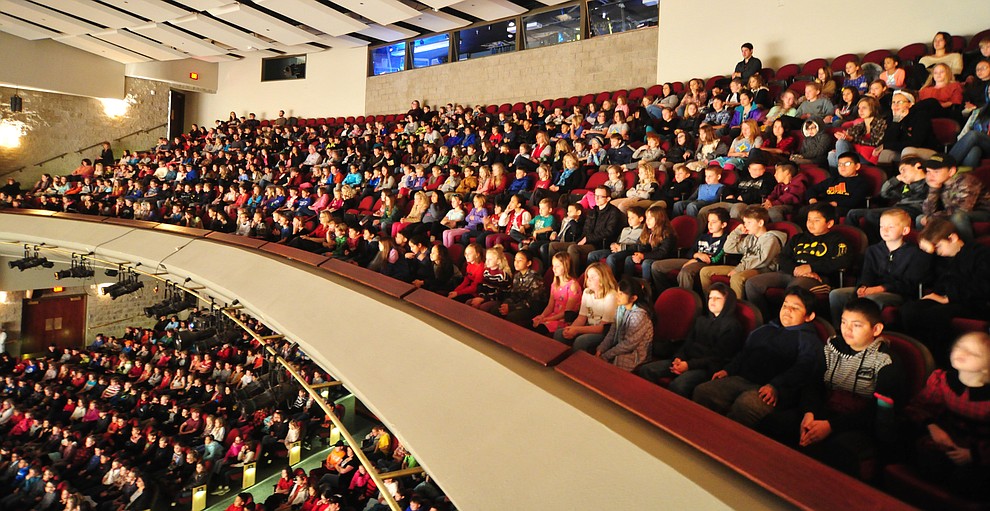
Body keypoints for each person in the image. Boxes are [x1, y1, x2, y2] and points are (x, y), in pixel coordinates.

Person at [765, 299, 906, 477]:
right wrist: (809, 413)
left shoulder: (885, 361)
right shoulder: (832, 348)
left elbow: (877, 412)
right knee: (773, 424)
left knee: (832, 452)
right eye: (843, 322)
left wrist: (831, 426)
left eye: (856, 325)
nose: (847, 330)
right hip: (825, 412)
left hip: (860, 425)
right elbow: (814, 385)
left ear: (876, 329)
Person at [693, 287, 824, 428]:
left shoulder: (809, 340)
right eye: (785, 305)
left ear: (809, 316)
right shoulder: (765, 329)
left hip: (775, 390)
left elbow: (803, 370)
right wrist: (728, 370)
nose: (787, 310)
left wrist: (776, 386)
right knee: (703, 392)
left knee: (746, 405)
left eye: (795, 308)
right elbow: (744, 353)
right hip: (744, 379)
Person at [905, 332, 990, 501]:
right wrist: (932, 426)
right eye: (959, 346)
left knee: (967, 479)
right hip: (948, 440)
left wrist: (973, 454)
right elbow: (918, 407)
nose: (961, 353)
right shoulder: (943, 380)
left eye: (973, 353)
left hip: (980, 449)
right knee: (923, 459)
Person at [900, 217, 990, 362]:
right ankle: (919, 357)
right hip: (947, 298)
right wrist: (926, 253)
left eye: (938, 247)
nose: (937, 252)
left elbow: (983, 286)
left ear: (952, 238)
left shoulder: (980, 254)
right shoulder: (941, 259)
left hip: (972, 302)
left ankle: (939, 359)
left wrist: (948, 298)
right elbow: (919, 278)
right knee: (908, 309)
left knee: (934, 315)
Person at [746, 202, 853, 319]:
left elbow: (842, 261)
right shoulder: (799, 237)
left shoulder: (837, 239)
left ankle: (785, 321)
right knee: (752, 284)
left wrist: (811, 267)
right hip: (791, 273)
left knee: (794, 289)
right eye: (809, 220)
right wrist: (795, 269)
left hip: (817, 277)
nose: (811, 224)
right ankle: (764, 319)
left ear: (829, 223)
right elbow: (782, 257)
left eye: (816, 220)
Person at [636, 283, 745, 397]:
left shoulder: (732, 326)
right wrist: (679, 358)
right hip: (687, 360)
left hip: (706, 368)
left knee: (678, 385)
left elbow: (718, 357)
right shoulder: (701, 320)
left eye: (717, 298)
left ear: (728, 303)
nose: (712, 301)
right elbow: (687, 343)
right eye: (710, 297)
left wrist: (688, 365)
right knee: (647, 370)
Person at [828, 208, 931, 323]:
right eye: (882, 226)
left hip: (898, 293)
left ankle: (872, 330)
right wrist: (863, 287)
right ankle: (839, 329)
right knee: (836, 295)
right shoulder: (873, 250)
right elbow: (867, 274)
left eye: (890, 227)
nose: (885, 230)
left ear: (905, 230)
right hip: (872, 289)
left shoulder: (915, 253)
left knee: (873, 299)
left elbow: (909, 284)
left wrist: (881, 288)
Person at [699, 206, 787, 299]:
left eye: (749, 222)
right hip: (744, 267)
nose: (745, 226)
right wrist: (736, 232)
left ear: (760, 223)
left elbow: (762, 260)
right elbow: (728, 248)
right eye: (744, 222)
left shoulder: (771, 239)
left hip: (762, 270)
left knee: (737, 278)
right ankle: (710, 304)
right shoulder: (749, 238)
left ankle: (736, 308)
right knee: (705, 271)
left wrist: (739, 269)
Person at [845, 156, 928, 242]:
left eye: (904, 170)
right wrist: (895, 180)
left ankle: (876, 245)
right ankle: (849, 242)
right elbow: (885, 193)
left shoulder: (929, 183)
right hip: (897, 209)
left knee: (872, 215)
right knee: (852, 213)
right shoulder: (905, 186)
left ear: (917, 166)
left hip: (912, 210)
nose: (901, 174)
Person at [651, 208, 729, 293]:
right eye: (708, 221)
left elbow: (713, 260)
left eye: (713, 222)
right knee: (656, 266)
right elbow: (690, 253)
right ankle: (666, 294)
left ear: (723, 224)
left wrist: (696, 259)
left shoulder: (725, 239)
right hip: (692, 260)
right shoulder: (703, 236)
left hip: (707, 265)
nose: (710, 225)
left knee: (686, 271)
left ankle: (684, 298)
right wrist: (697, 256)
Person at [548, 186, 624, 273]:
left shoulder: (614, 212)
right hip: (585, 240)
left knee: (573, 248)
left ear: (608, 198)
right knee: (553, 245)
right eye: (595, 195)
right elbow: (586, 229)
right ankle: (551, 273)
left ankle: (573, 276)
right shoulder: (593, 211)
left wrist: (587, 239)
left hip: (599, 244)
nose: (596, 198)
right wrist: (582, 239)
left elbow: (609, 232)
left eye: (600, 196)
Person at [918, 152, 990, 243]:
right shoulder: (937, 183)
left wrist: (932, 217)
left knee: (958, 217)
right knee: (919, 219)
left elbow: (962, 209)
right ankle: (930, 250)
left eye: (936, 171)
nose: (930, 176)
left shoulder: (966, 180)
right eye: (928, 171)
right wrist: (934, 190)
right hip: (953, 212)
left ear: (951, 171)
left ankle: (968, 250)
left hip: (983, 212)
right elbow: (928, 212)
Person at [554, 262, 617, 353]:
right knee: (560, 333)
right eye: (588, 277)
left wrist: (577, 330)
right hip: (588, 326)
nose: (588, 280)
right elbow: (581, 318)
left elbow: (602, 328)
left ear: (603, 279)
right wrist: (571, 329)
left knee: (582, 341)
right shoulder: (587, 292)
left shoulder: (611, 296)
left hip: (604, 332)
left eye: (593, 277)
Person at [595, 278, 653, 372]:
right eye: (617, 292)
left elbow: (629, 344)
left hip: (635, 352)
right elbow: (612, 332)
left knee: (617, 362)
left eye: (621, 294)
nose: (617, 296)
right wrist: (601, 349)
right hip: (620, 346)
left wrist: (606, 355)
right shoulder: (621, 308)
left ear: (633, 298)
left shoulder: (639, 315)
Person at [532, 252, 582, 336]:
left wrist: (546, 319)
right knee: (532, 324)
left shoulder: (573, 285)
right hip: (553, 316)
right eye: (553, 266)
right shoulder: (555, 284)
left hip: (563, 320)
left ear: (566, 266)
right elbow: (550, 306)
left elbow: (567, 312)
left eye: (557, 266)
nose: (554, 269)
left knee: (540, 329)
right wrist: (542, 316)